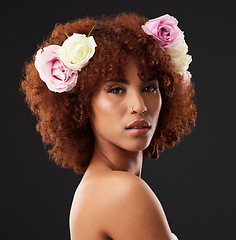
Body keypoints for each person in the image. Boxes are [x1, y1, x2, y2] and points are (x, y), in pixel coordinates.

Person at [20, 12, 196, 240]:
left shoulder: (94, 188)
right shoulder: (123, 192)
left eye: (150, 88)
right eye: (116, 90)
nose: (139, 106)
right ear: (81, 104)